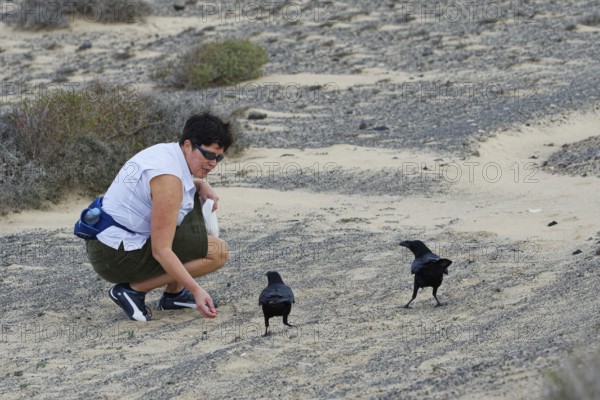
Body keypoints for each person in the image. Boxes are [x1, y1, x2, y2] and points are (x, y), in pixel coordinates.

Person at [85, 113, 233, 321]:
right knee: (218, 252)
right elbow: (161, 250)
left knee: (190, 211)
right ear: (189, 145)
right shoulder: (168, 179)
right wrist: (197, 290)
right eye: (208, 155)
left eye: (219, 157)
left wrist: (200, 185)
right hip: (114, 255)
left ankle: (175, 295)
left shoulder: (169, 153)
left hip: (108, 240)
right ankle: (132, 290)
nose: (213, 163)